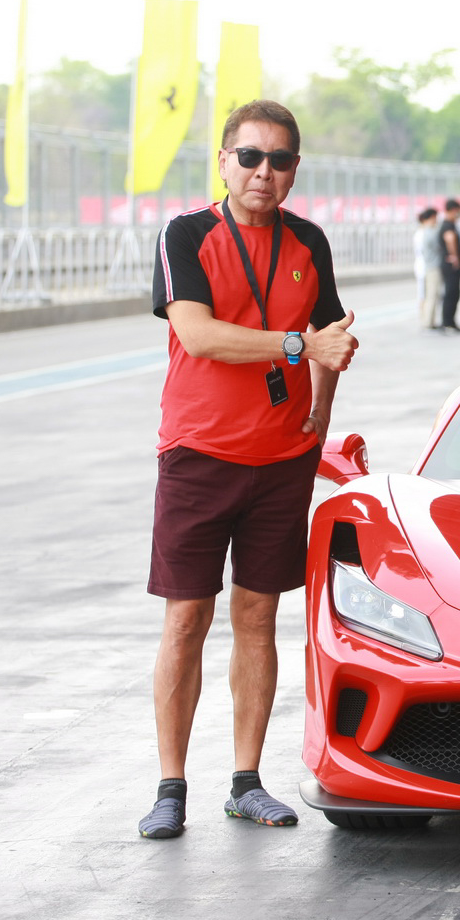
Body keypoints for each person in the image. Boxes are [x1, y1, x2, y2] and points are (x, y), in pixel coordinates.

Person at [140, 100, 359, 839]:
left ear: (296, 170)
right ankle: (171, 786)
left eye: (281, 159)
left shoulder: (308, 241)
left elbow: (332, 337)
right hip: (199, 456)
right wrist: (297, 350)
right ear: (225, 161)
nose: (265, 172)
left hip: (280, 464)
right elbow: (198, 336)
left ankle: (246, 781)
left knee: (259, 618)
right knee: (186, 620)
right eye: (251, 156)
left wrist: (319, 414)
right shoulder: (187, 234)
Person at [437, 197, 460, 334]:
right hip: (450, 266)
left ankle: (451, 322)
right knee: (450, 293)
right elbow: (450, 239)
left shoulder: (451, 224)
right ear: (453, 210)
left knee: (454, 294)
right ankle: (447, 322)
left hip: (450, 265)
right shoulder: (448, 225)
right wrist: (455, 257)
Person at [413, 207, 442, 327]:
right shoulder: (424, 232)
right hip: (425, 266)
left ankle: (425, 319)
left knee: (424, 294)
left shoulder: (422, 232)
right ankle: (426, 320)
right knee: (426, 295)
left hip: (423, 265)